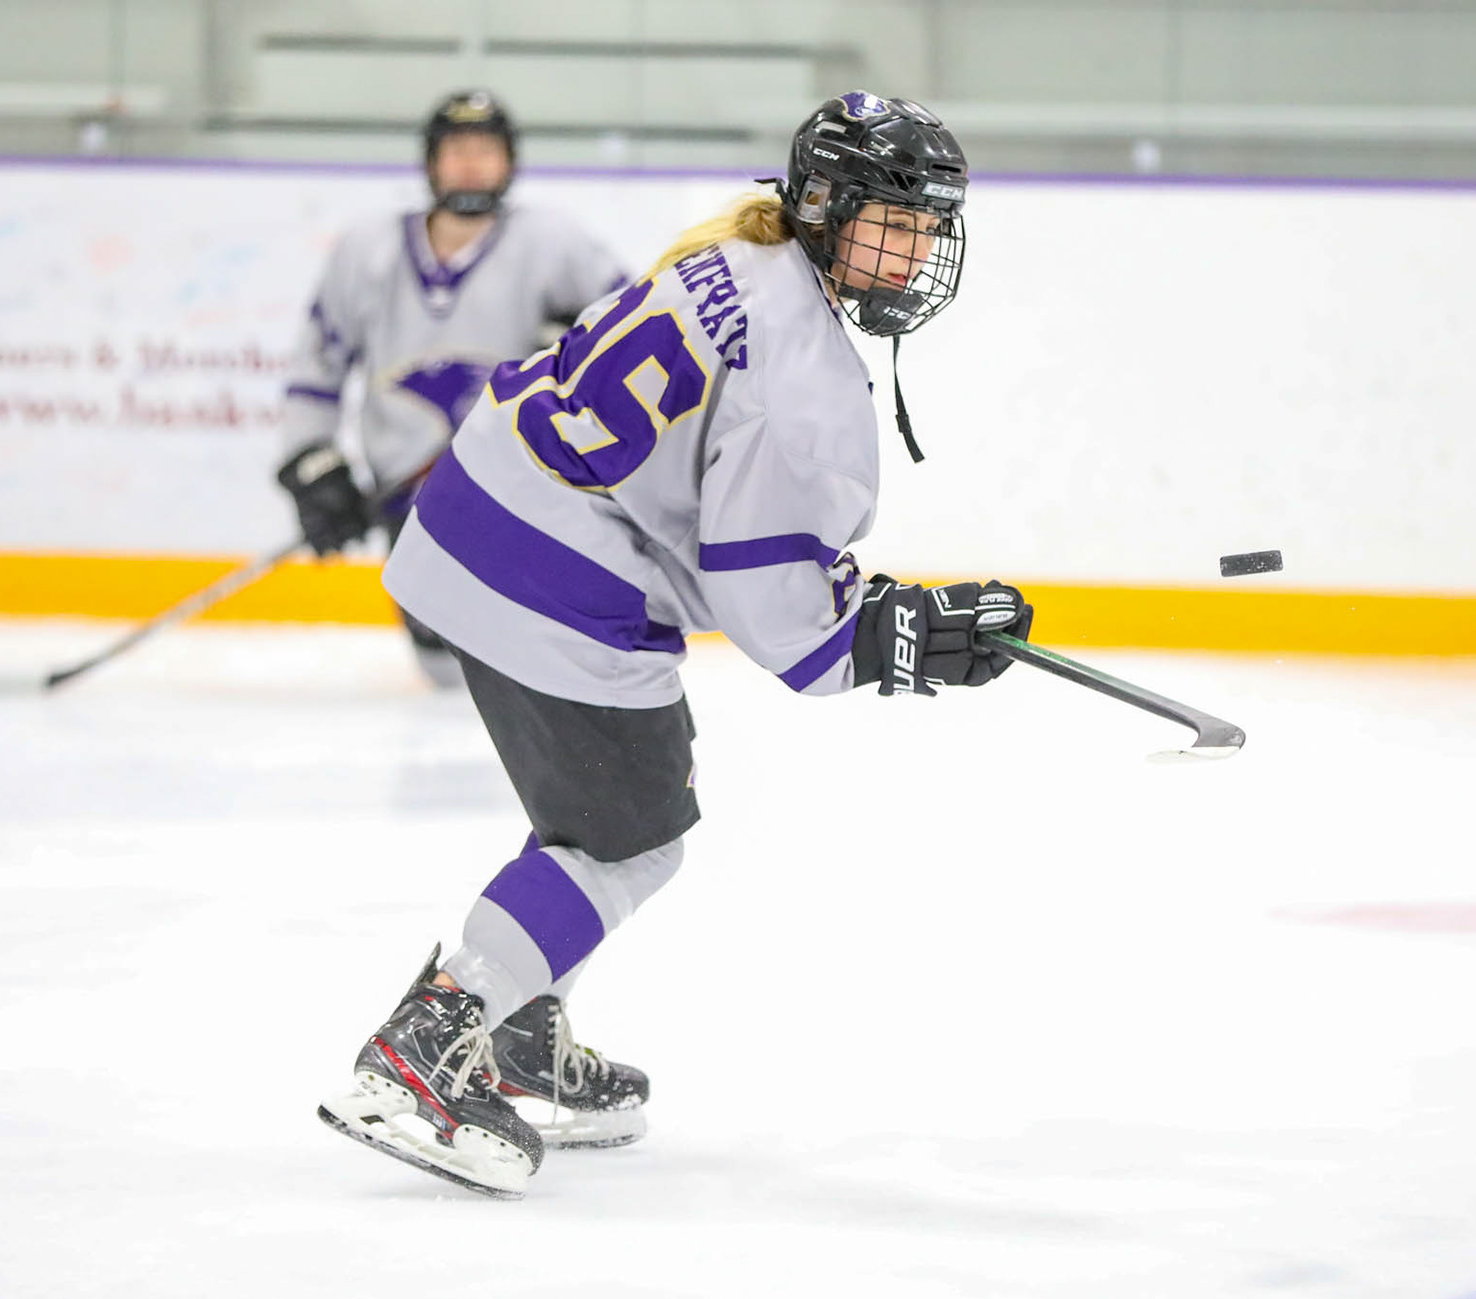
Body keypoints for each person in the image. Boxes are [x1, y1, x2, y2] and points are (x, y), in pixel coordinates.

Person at [315, 91, 1033, 1199]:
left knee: (588, 813)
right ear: (827, 207)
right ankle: (431, 1041)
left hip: (478, 513)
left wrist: (876, 607)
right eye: (896, 221)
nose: (918, 251)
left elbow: (724, 521)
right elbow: (778, 621)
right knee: (630, 837)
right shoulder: (806, 372)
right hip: (550, 571)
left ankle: (516, 1031)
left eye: (931, 226)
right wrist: (902, 641)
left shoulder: (743, 256)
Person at [274, 89, 632, 686]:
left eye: (485, 150)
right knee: (444, 671)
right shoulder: (367, 250)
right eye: (457, 149)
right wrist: (312, 462)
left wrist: (579, 349)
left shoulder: (556, 244)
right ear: (430, 161)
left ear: (509, 161)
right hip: (409, 496)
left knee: (525, 667)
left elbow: (634, 336)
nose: (471, 164)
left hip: (523, 492)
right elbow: (317, 366)